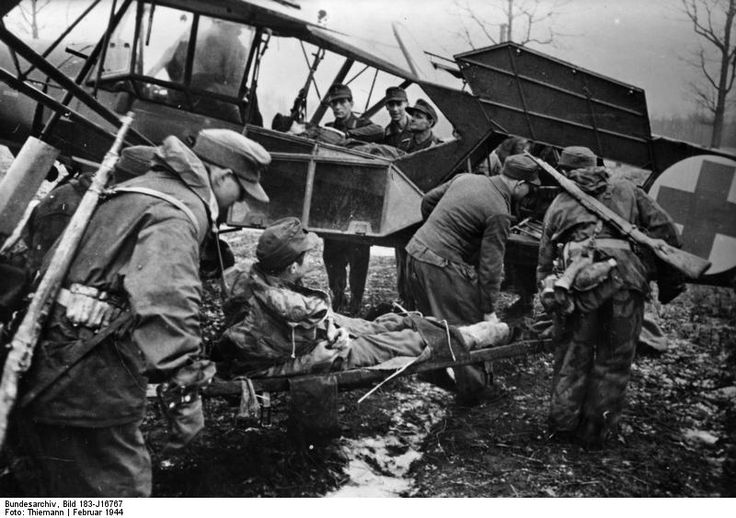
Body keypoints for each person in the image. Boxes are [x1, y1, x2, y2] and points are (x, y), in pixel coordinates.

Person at [11, 129, 271, 497]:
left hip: (47, 364)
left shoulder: (141, 188)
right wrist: (185, 391)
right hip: (87, 381)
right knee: (120, 493)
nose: (238, 202)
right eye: (241, 191)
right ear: (223, 175)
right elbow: (168, 298)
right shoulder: (177, 210)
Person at [213, 218, 511, 377]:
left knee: (388, 323)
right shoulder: (276, 311)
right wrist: (320, 354)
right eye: (305, 255)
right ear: (292, 266)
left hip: (314, 336)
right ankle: (478, 334)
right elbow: (266, 361)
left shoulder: (259, 278)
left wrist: (334, 329)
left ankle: (426, 326)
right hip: (319, 355)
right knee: (404, 342)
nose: (310, 258)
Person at [537, 146, 683, 449]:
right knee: (614, 359)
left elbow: (545, 254)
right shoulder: (628, 189)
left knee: (572, 356)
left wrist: (547, 292)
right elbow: (665, 230)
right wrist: (670, 283)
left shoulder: (560, 201)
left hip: (579, 287)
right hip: (627, 282)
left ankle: (562, 425)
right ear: (597, 165)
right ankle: (594, 430)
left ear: (563, 171)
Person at [405, 154, 541, 405]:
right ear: (519, 185)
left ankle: (433, 371)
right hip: (439, 265)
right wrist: (488, 310)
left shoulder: (467, 178)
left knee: (435, 322)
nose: (528, 195)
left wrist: (441, 230)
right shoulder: (499, 212)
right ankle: (475, 390)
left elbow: (427, 200)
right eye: (529, 189)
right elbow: (491, 269)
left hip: (415, 252)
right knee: (467, 323)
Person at [321, 83, 382, 315]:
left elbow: (379, 132)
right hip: (335, 202)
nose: (337, 107)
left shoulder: (364, 125)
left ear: (351, 103)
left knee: (358, 255)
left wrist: (347, 135)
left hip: (358, 201)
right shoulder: (327, 128)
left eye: (342, 102)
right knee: (332, 254)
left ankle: (356, 300)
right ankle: (337, 296)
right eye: (333, 103)